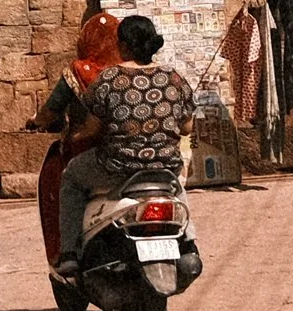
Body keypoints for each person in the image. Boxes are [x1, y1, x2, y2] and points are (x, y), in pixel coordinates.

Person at [51, 14, 190, 279]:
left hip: (116, 167)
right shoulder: (174, 79)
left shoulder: (109, 79)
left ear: (122, 45)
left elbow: (93, 129)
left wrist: (74, 136)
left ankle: (69, 253)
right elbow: (187, 128)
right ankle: (190, 242)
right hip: (166, 167)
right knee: (177, 184)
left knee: (70, 178)